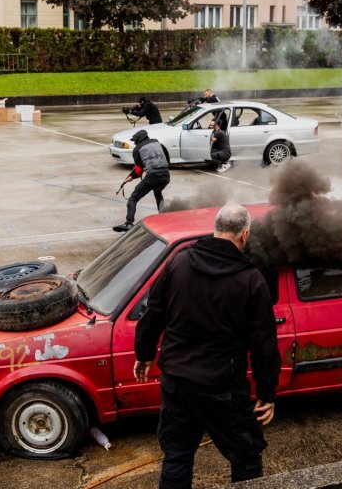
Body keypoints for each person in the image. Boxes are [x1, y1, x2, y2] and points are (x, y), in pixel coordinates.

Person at [134, 204, 280, 487]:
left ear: (215, 228)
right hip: (222, 387)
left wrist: (144, 353)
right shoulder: (251, 280)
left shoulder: (179, 262)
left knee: (177, 456)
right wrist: (267, 392)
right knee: (246, 457)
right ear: (245, 234)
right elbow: (264, 343)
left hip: (177, 383)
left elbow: (153, 311)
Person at [113, 129, 170, 232]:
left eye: (135, 140)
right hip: (166, 175)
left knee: (133, 198)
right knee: (158, 192)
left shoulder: (137, 149)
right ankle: (163, 217)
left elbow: (139, 170)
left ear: (138, 139)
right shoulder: (156, 142)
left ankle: (129, 223)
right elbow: (165, 159)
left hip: (153, 176)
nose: (134, 143)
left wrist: (131, 177)